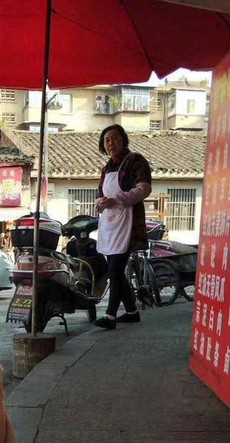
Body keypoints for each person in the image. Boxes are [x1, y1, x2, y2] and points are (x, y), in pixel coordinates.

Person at [93, 125, 152, 330]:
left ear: (124, 139)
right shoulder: (106, 168)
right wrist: (100, 203)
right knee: (115, 269)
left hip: (129, 222)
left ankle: (110, 316)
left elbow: (144, 188)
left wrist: (118, 199)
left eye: (115, 138)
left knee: (115, 268)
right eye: (107, 140)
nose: (111, 143)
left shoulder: (136, 161)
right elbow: (100, 193)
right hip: (110, 224)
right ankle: (131, 312)